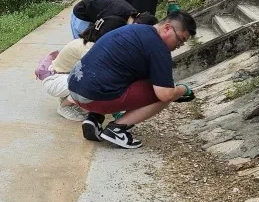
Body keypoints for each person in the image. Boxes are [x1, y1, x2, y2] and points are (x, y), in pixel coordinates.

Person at [67, 11, 197, 149]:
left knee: (123, 76)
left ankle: (94, 119)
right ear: (167, 28)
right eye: (180, 40)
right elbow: (165, 94)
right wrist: (183, 90)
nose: (179, 45)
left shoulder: (135, 29)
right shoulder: (158, 47)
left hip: (75, 89)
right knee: (165, 95)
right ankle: (117, 129)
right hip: (93, 97)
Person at [43, 15, 143, 121]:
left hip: (62, 77)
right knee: (93, 85)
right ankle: (64, 106)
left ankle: (69, 99)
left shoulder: (91, 43)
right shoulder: (89, 48)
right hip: (55, 81)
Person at [70, 0, 140, 39]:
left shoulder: (132, 14)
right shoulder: (116, 13)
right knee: (83, 44)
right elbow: (100, 30)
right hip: (81, 13)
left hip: (94, 12)